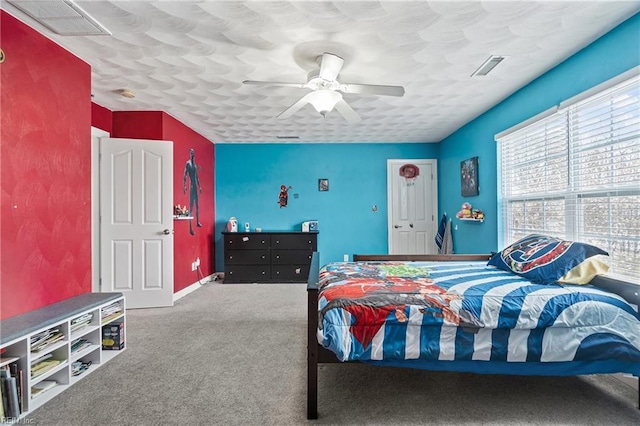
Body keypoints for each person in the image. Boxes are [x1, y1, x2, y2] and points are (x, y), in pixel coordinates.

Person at [183, 148, 202, 235]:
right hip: (191, 186)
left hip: (195, 186)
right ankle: (190, 227)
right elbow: (185, 175)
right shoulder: (188, 164)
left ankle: (197, 222)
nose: (192, 154)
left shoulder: (194, 164)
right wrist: (184, 186)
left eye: (193, 153)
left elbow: (196, 176)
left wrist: (200, 186)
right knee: (191, 207)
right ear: (189, 154)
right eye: (191, 153)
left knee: (197, 205)